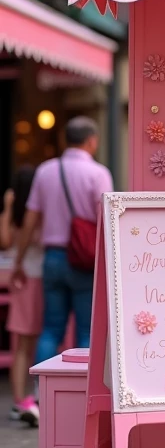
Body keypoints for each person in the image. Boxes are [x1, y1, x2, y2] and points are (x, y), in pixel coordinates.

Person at [12, 116, 113, 364]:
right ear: (92, 141)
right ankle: (82, 394)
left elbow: (30, 220)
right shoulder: (98, 173)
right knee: (86, 331)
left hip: (53, 257)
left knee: (51, 329)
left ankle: (40, 392)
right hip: (85, 259)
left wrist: (20, 260)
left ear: (64, 140)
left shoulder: (45, 171)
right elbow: (106, 221)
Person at [0, 167, 42, 425]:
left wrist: (6, 207)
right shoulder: (42, 209)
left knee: (22, 345)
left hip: (23, 279)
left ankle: (19, 399)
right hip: (43, 276)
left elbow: (4, 241)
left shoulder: (15, 214)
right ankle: (41, 396)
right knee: (51, 339)